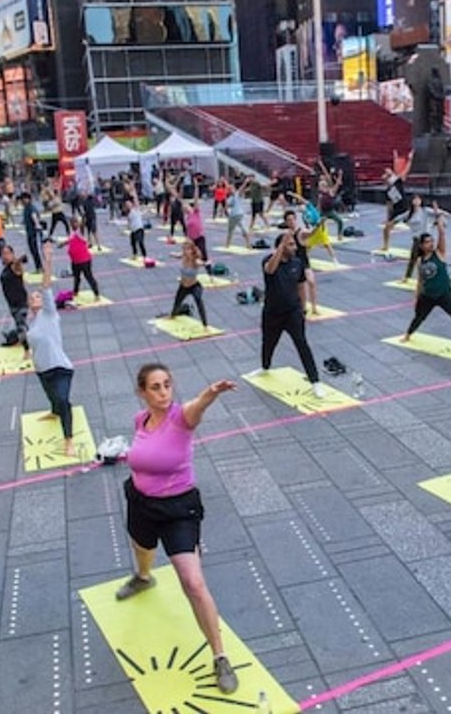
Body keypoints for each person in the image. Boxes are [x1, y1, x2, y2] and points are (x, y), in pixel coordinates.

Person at [114, 363, 240, 695]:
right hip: (141, 501)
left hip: (178, 509)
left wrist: (210, 395)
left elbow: (195, 408)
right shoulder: (140, 420)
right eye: (155, 387)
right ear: (142, 392)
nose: (163, 392)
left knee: (193, 583)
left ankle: (220, 656)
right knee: (141, 546)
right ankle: (143, 577)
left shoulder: (181, 418)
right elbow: (142, 454)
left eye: (167, 384)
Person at [22, 241, 78, 457]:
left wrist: (48, 259)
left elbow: (46, 285)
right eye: (32, 297)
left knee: (64, 400)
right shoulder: (31, 324)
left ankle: (69, 440)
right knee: (53, 399)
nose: (36, 298)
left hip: (60, 367)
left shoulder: (49, 314)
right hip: (42, 370)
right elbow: (31, 342)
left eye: (37, 297)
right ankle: (54, 412)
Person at [253, 233, 324, 397]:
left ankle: (315, 381)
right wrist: (280, 247)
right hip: (272, 312)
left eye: (293, 244)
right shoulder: (268, 261)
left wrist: (303, 308)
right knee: (268, 343)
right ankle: (265, 367)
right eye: (290, 245)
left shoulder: (297, 263)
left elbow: (301, 286)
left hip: (292, 312)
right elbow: (270, 270)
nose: (294, 248)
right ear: (281, 247)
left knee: (302, 344)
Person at [401, 208, 451, 351]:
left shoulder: (439, 253)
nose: (431, 244)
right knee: (419, 317)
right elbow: (420, 281)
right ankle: (408, 334)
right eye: (427, 242)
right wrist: (416, 296)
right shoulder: (420, 261)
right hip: (427, 295)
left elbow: (442, 235)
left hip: (444, 294)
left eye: (432, 241)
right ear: (421, 245)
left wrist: (440, 222)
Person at [170, 239, 210, 329]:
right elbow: (178, 255)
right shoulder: (183, 256)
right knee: (177, 302)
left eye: (187, 249)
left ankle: (205, 324)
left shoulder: (195, 260)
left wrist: (205, 263)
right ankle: (173, 315)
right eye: (183, 249)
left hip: (194, 286)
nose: (185, 251)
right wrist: (172, 254)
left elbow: (200, 263)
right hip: (183, 286)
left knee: (198, 300)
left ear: (192, 250)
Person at [379, 149, 414, 251]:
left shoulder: (398, 181)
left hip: (405, 209)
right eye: (385, 173)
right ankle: (386, 245)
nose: (386, 173)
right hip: (396, 212)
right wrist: (388, 219)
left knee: (416, 227)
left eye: (388, 172)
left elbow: (405, 170)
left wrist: (410, 160)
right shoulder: (387, 191)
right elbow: (389, 206)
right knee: (386, 228)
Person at [0, 245, 30, 351]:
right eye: (3, 253)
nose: (5, 256)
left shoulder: (15, 266)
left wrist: (20, 259)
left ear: (12, 254)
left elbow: (19, 262)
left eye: (8, 253)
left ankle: (27, 349)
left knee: (22, 326)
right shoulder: (6, 268)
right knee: (20, 325)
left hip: (20, 302)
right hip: (12, 303)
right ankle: (16, 339)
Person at [61, 222, 100, 302]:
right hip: (75, 261)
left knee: (88, 277)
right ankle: (75, 291)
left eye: (75, 223)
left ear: (78, 224)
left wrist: (83, 220)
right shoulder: (73, 234)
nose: (73, 225)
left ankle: (96, 294)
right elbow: (70, 240)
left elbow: (82, 226)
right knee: (76, 277)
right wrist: (62, 244)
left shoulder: (80, 232)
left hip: (84, 260)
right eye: (72, 223)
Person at [223, 177, 252, 248]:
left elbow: (241, 188)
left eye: (232, 189)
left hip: (238, 215)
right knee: (230, 231)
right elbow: (226, 207)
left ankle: (248, 244)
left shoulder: (237, 194)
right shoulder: (229, 198)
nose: (230, 190)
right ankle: (227, 244)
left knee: (244, 230)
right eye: (230, 189)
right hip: (232, 216)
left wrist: (245, 182)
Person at [22, 192, 43, 272]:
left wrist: (37, 224)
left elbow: (34, 216)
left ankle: (40, 267)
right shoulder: (26, 207)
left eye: (24, 199)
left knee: (35, 250)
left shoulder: (31, 207)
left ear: (28, 199)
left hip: (34, 233)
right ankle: (38, 267)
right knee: (33, 251)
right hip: (29, 233)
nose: (23, 201)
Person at [127, 194, 147, 260]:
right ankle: (135, 254)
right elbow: (129, 223)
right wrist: (128, 227)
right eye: (127, 205)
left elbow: (136, 201)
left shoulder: (136, 210)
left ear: (132, 204)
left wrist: (133, 193)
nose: (128, 205)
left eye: (129, 204)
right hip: (133, 231)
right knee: (133, 243)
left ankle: (144, 256)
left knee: (140, 242)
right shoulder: (129, 214)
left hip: (139, 229)